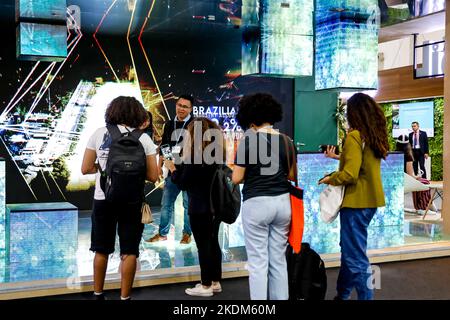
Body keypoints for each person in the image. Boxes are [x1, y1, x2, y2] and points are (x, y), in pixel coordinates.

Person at [81, 96, 159, 300]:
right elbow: (153, 176)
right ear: (137, 114)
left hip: (103, 199)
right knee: (130, 251)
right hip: (132, 200)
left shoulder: (99, 134)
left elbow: (85, 168)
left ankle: (98, 294)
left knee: (101, 249)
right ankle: (125, 297)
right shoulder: (144, 139)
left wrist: (104, 169)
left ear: (112, 112)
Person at [319, 93, 389, 300]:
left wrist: (330, 179)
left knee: (355, 258)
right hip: (370, 201)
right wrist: (338, 158)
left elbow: (350, 174)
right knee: (350, 252)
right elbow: (362, 165)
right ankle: (342, 295)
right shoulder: (373, 135)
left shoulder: (354, 136)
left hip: (356, 202)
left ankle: (364, 297)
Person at [232, 93, 293, 300]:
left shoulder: (247, 141)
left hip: (256, 204)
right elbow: (293, 175)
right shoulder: (287, 141)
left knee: (258, 262)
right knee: (278, 260)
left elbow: (236, 178)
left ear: (250, 119)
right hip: (283, 203)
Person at [165, 117, 225, 297]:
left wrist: (173, 168)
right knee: (214, 244)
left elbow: (182, 183)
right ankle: (215, 282)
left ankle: (205, 285)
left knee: (204, 246)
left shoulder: (194, 158)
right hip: (216, 206)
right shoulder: (216, 156)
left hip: (199, 208)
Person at [147, 94, 194, 244]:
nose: (181, 109)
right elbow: (165, 145)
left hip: (188, 171)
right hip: (172, 170)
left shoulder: (195, 124)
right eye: (179, 105)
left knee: (188, 204)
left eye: (185, 106)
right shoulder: (169, 124)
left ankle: (187, 234)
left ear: (191, 109)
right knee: (166, 203)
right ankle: (162, 234)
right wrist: (163, 163)